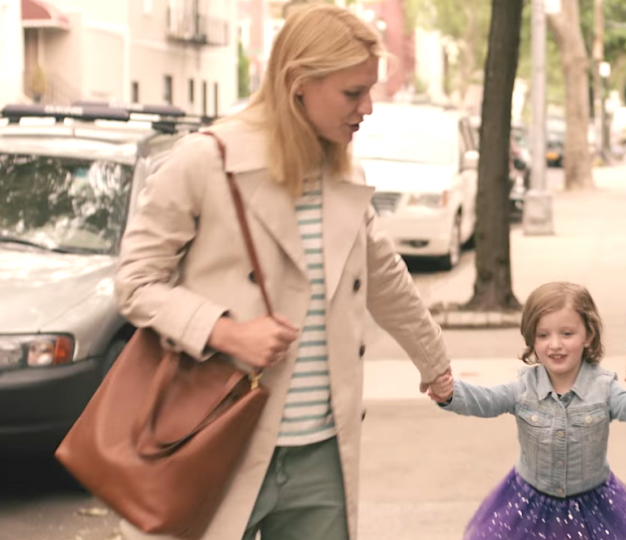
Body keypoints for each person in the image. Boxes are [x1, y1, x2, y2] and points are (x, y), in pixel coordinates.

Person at [113, 5, 452, 539]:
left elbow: (383, 275)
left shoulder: (343, 170)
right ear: (298, 83)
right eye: (351, 93)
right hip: (217, 438)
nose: (367, 108)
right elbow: (136, 282)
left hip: (321, 454)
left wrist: (434, 361)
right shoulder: (206, 161)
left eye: (369, 91)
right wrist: (225, 331)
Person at [428, 282, 626, 539]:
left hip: (594, 506)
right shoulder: (524, 387)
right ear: (532, 339)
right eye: (543, 335)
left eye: (567, 333)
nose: (555, 344)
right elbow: (486, 400)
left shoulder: (604, 388)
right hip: (527, 506)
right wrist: (450, 393)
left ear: (588, 335)